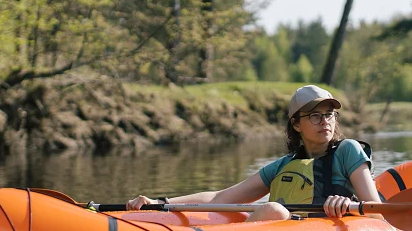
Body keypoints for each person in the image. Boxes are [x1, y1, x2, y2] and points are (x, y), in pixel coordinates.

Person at [126, 85, 381, 221]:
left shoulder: (348, 150)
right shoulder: (283, 166)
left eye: (329, 114)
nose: (324, 121)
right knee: (267, 211)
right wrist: (162, 203)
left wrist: (349, 205)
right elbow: (220, 198)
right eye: (314, 115)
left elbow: (376, 209)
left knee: (274, 211)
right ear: (295, 124)